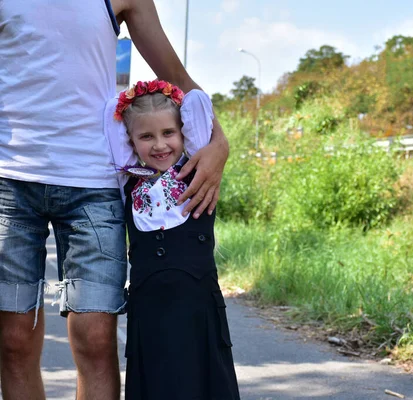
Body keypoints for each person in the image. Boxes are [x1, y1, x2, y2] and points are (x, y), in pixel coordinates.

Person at [0, 1, 228, 399]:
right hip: (10, 180)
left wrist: (219, 143)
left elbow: (174, 74)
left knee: (95, 338)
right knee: (13, 339)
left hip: (94, 184)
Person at [105, 79, 240, 400]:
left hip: (197, 306)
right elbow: (112, 113)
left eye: (169, 133)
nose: (159, 145)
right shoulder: (126, 180)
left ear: (184, 134)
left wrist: (169, 94)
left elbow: (196, 102)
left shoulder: (197, 171)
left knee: (202, 382)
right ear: (131, 141)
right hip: (150, 308)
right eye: (146, 137)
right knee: (157, 382)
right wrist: (128, 103)